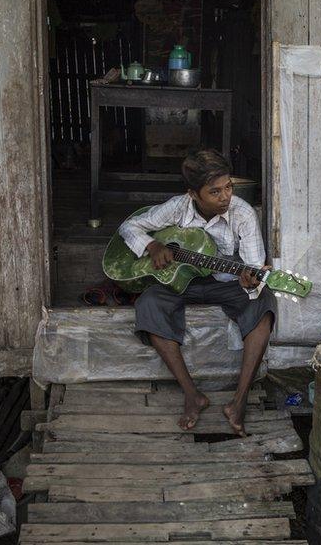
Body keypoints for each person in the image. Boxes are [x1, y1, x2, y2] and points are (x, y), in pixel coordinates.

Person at [117, 149, 276, 436]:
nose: (225, 196)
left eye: (228, 187)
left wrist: (251, 279)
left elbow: (254, 265)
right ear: (193, 194)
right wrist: (152, 246)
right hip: (181, 282)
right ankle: (192, 395)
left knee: (263, 305)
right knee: (149, 304)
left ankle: (238, 402)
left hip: (228, 283)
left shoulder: (243, 213)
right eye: (214, 192)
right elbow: (129, 226)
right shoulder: (177, 207)